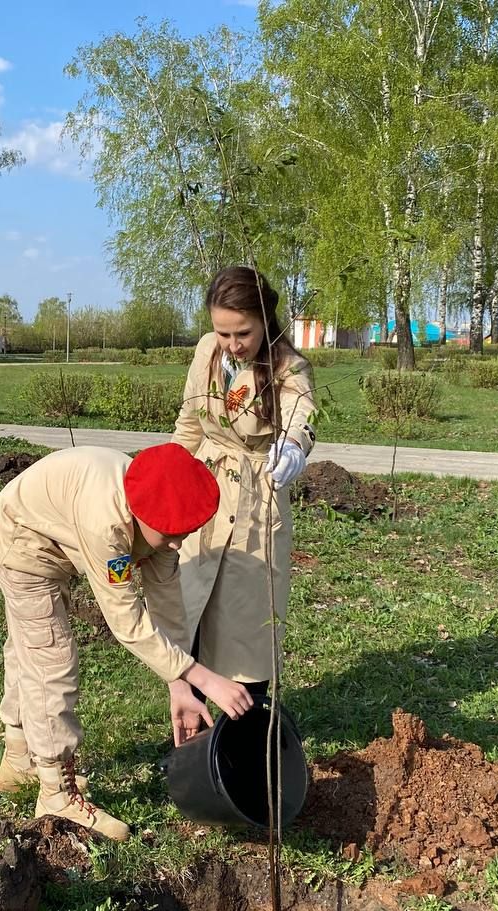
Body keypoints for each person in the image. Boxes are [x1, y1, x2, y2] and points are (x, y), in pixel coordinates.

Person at [0, 442, 255, 840]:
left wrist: (180, 685)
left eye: (186, 534)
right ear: (141, 515)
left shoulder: (156, 513)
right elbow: (126, 620)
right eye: (171, 535)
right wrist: (206, 678)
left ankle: (20, 759)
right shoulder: (105, 526)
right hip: (21, 544)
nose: (178, 544)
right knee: (49, 658)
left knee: (29, 648)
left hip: (48, 528)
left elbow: (168, 607)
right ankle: (56, 793)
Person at [170, 267, 316, 739]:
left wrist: (293, 447)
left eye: (244, 333)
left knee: (248, 624)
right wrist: (171, 472)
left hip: (256, 499)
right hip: (206, 489)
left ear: (265, 321)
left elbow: (301, 416)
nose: (233, 343)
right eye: (223, 332)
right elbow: (190, 420)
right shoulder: (207, 352)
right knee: (189, 606)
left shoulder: (287, 366)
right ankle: (190, 734)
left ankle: (243, 738)